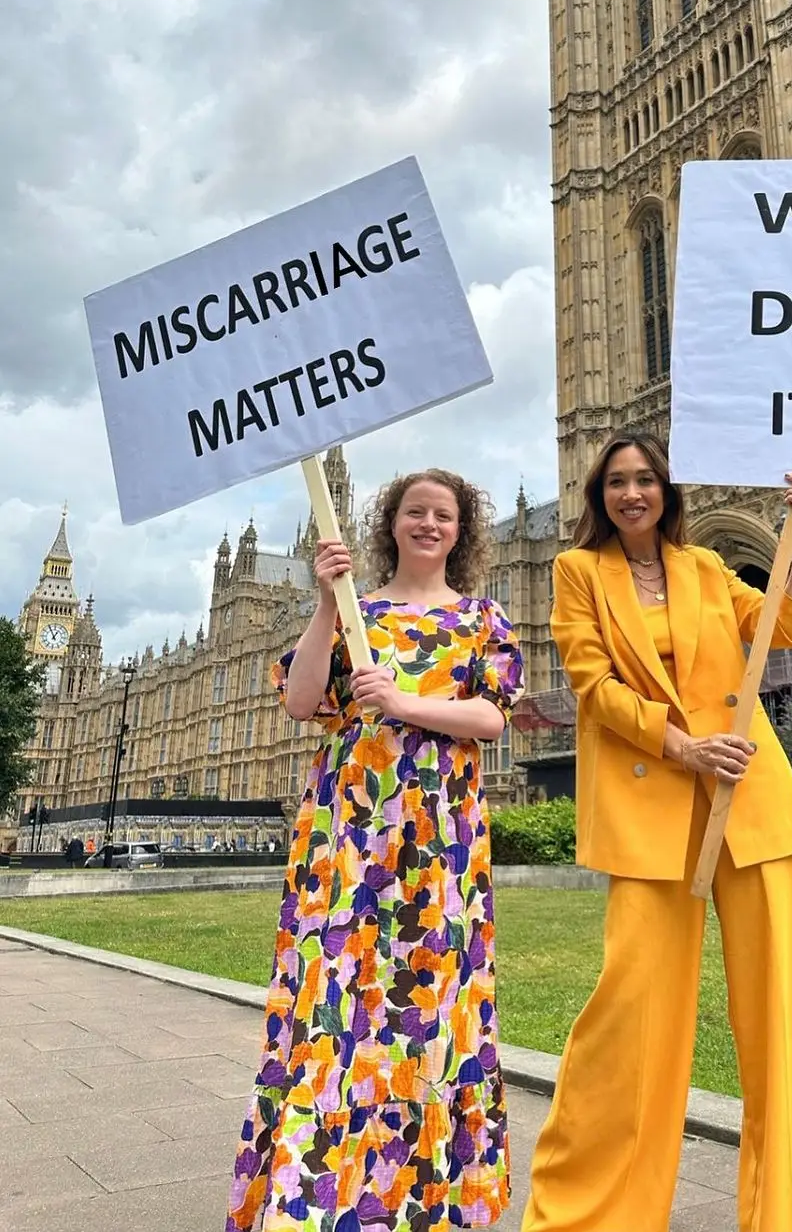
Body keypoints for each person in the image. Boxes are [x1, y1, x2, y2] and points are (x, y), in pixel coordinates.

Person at [521, 432, 792, 1232]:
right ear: (599, 496)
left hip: (749, 798)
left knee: (787, 1010)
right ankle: (594, 1213)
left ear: (666, 490)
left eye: (645, 478)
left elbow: (785, 625)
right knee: (632, 1015)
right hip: (653, 803)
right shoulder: (577, 573)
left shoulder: (707, 568)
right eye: (617, 481)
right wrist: (680, 744)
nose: (632, 492)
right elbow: (592, 683)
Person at [227, 468, 525, 1232]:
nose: (429, 523)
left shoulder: (483, 617)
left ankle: (424, 1197)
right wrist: (329, 600)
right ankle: (315, 1198)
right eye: (415, 511)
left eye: (445, 514)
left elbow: (492, 717)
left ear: (463, 531)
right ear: (390, 521)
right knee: (335, 1001)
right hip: (350, 835)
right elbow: (301, 702)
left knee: (430, 1010)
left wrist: (399, 702)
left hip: (439, 841)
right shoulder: (355, 608)